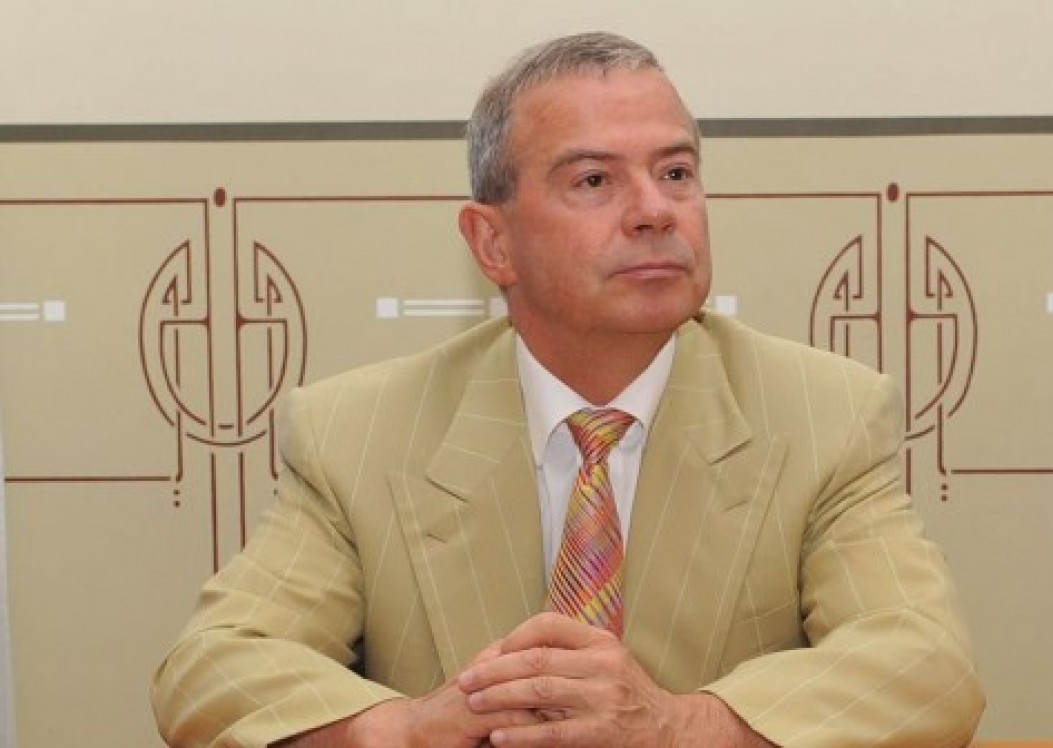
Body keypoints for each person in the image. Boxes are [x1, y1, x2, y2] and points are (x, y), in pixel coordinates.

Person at [151, 31, 984, 748]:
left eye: (677, 172)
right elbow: (212, 666)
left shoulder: (825, 414)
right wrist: (402, 729)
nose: (655, 210)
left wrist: (681, 726)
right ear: (493, 244)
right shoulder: (357, 432)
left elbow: (926, 667)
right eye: (594, 181)